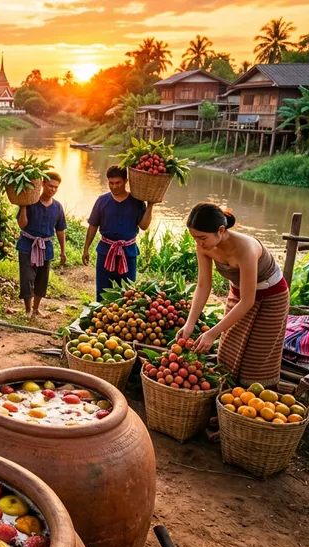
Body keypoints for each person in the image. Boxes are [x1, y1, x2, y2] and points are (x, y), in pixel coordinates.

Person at [177, 203, 289, 387]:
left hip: (271, 297)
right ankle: (225, 398)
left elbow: (248, 301)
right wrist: (190, 323)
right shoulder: (203, 247)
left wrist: (212, 333)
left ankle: (250, 405)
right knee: (228, 349)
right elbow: (204, 285)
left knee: (257, 355)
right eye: (195, 238)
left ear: (221, 230)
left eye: (202, 237)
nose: (198, 243)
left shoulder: (245, 248)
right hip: (238, 293)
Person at [82, 165, 154, 300]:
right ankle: (101, 317)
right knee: (103, 290)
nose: (114, 186)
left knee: (128, 292)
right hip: (106, 251)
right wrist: (86, 248)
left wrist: (150, 205)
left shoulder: (137, 202)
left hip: (128, 252)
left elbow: (144, 226)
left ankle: (124, 318)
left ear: (126, 181)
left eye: (118, 183)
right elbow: (93, 225)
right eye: (111, 183)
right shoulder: (102, 201)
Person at [16, 172, 66, 317]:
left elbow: (60, 229)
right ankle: (27, 310)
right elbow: (21, 225)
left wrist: (63, 251)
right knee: (27, 278)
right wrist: (24, 208)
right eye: (50, 186)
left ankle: (36, 308)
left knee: (42, 279)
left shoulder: (57, 207)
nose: (53, 190)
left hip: (46, 247)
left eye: (56, 187)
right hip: (27, 244)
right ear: (43, 184)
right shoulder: (30, 202)